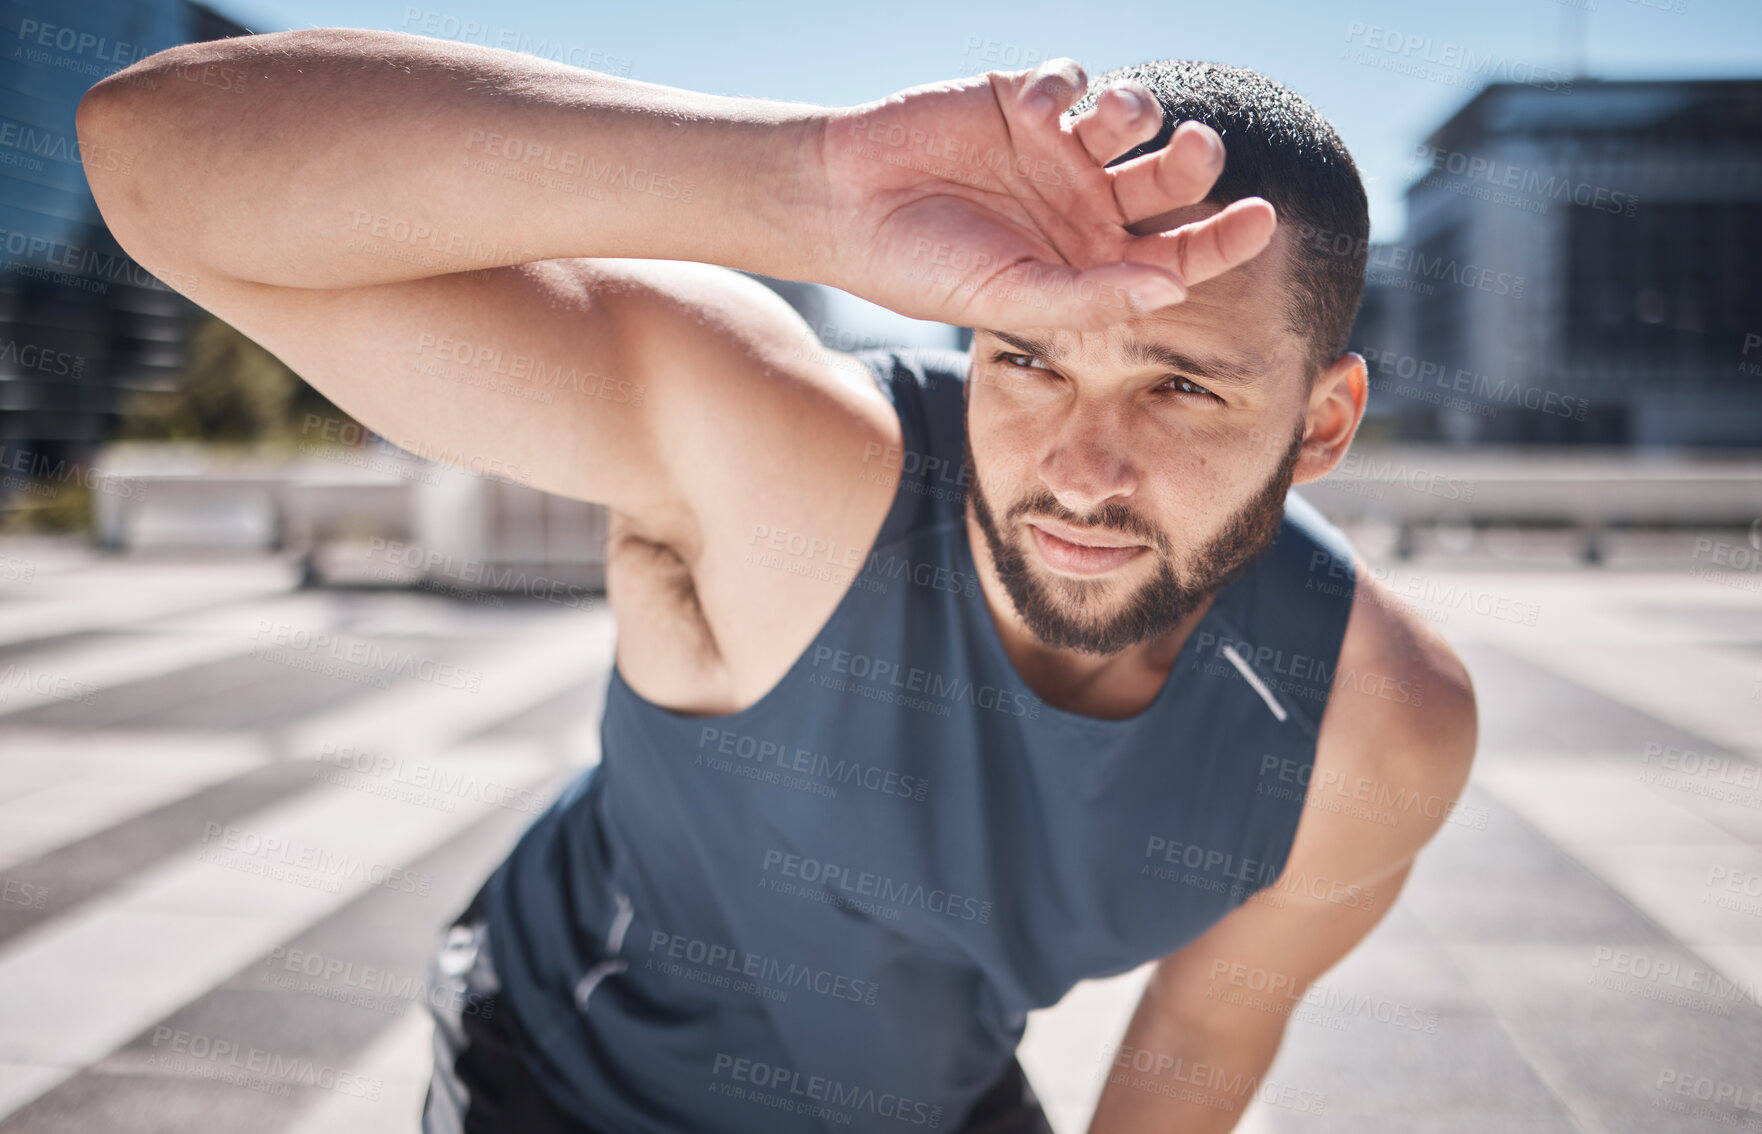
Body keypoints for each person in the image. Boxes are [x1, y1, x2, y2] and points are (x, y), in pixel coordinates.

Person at [78, 31, 1477, 1134]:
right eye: (1027, 354)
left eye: (1180, 385)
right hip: (576, 1080)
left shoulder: (1372, 723)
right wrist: (800, 184)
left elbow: (1206, 1032)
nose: (1080, 467)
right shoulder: (790, 467)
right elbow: (149, 157)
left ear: (1322, 425)